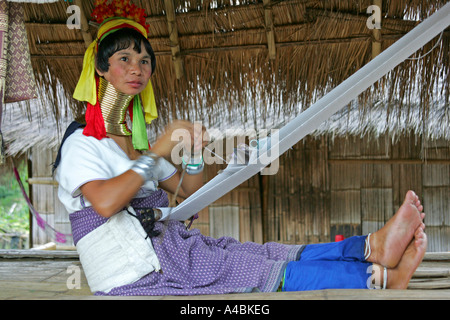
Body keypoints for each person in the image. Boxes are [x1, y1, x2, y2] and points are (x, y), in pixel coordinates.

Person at [54, 2, 427, 296]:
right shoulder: (82, 142)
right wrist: (160, 148)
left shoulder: (134, 147)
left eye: (144, 61)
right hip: (134, 275)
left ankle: (371, 249)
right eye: (124, 59)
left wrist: (192, 152)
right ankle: (375, 279)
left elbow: (192, 192)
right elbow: (104, 203)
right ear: (100, 69)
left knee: (263, 252)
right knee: (256, 271)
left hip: (167, 252)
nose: (137, 68)